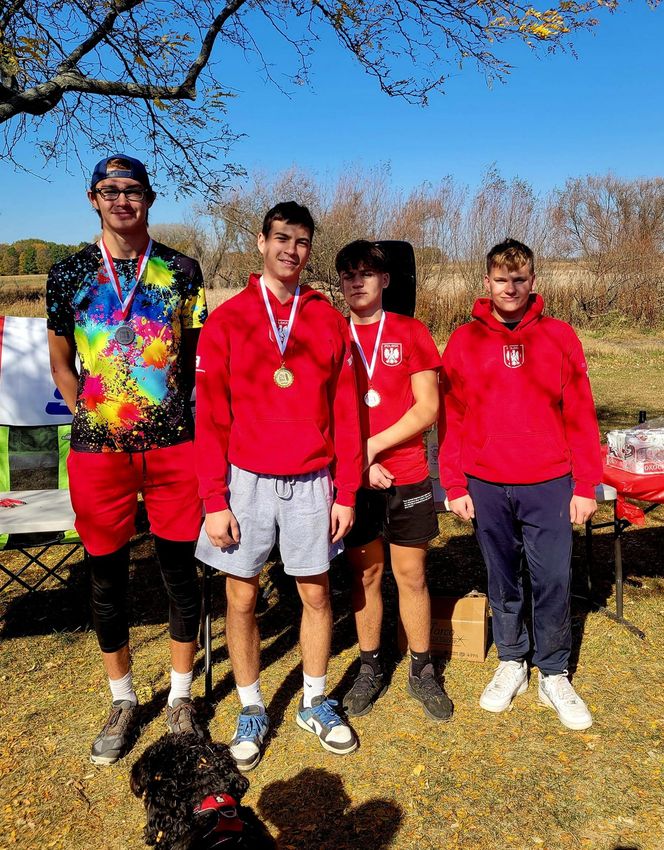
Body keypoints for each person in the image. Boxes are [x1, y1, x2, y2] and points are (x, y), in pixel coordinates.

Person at [46, 154, 207, 764]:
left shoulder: (182, 270)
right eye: (110, 191)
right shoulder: (67, 274)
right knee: (106, 578)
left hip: (171, 448)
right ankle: (122, 698)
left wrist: (168, 409)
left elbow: (193, 358)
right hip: (98, 452)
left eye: (133, 190)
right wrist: (84, 408)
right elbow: (62, 359)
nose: (122, 200)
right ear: (93, 199)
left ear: (150, 198)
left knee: (177, 572)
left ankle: (181, 697)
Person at [194, 202, 362, 771]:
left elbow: (346, 413)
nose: (291, 250)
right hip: (246, 482)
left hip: (314, 480)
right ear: (262, 243)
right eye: (282, 238)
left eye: (302, 241)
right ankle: (250, 706)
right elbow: (211, 416)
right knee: (241, 596)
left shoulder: (328, 321)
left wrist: (347, 491)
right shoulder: (230, 319)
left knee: (315, 594)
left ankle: (315, 700)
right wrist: (213, 500)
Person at [439, 238, 602, 730]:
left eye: (520, 279)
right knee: (502, 577)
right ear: (486, 283)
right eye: (501, 279)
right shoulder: (464, 341)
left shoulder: (559, 337)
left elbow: (580, 413)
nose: (511, 288)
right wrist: (454, 482)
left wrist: (585, 485)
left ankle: (553, 671)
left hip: (549, 480)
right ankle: (512, 661)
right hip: (486, 482)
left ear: (534, 282)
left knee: (553, 577)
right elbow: (452, 417)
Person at [337, 240, 453, 722]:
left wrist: (372, 446)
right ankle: (370, 666)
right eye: (348, 275)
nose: (357, 282)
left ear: (385, 280)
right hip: (354, 479)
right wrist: (360, 462)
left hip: (406, 474)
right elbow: (325, 414)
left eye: (367, 273)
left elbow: (428, 407)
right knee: (365, 575)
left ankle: (422, 669)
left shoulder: (410, 332)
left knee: (411, 575)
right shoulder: (332, 335)